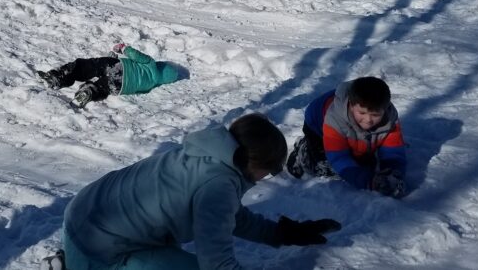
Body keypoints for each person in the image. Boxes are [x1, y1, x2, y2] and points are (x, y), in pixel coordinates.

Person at [60, 113, 341, 270]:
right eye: (269, 171)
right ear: (255, 164)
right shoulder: (218, 186)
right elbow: (216, 264)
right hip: (96, 251)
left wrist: (280, 234)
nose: (264, 178)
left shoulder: (209, 156)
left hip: (82, 219)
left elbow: (228, 216)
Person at [286, 76, 407, 198]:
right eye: (362, 113)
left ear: (385, 110)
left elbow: (394, 154)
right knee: (328, 169)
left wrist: (393, 174)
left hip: (354, 135)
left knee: (365, 163)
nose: (368, 120)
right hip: (317, 128)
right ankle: (303, 151)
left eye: (375, 115)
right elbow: (339, 157)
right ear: (351, 105)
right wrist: (368, 182)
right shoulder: (334, 119)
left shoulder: (390, 121)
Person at [37, 43, 181, 107]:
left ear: (162, 65)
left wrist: (124, 49)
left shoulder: (151, 63)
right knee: (103, 87)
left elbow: (136, 56)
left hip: (119, 68)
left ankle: (61, 76)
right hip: (120, 87)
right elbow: (137, 90)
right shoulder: (150, 86)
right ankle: (89, 92)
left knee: (92, 66)